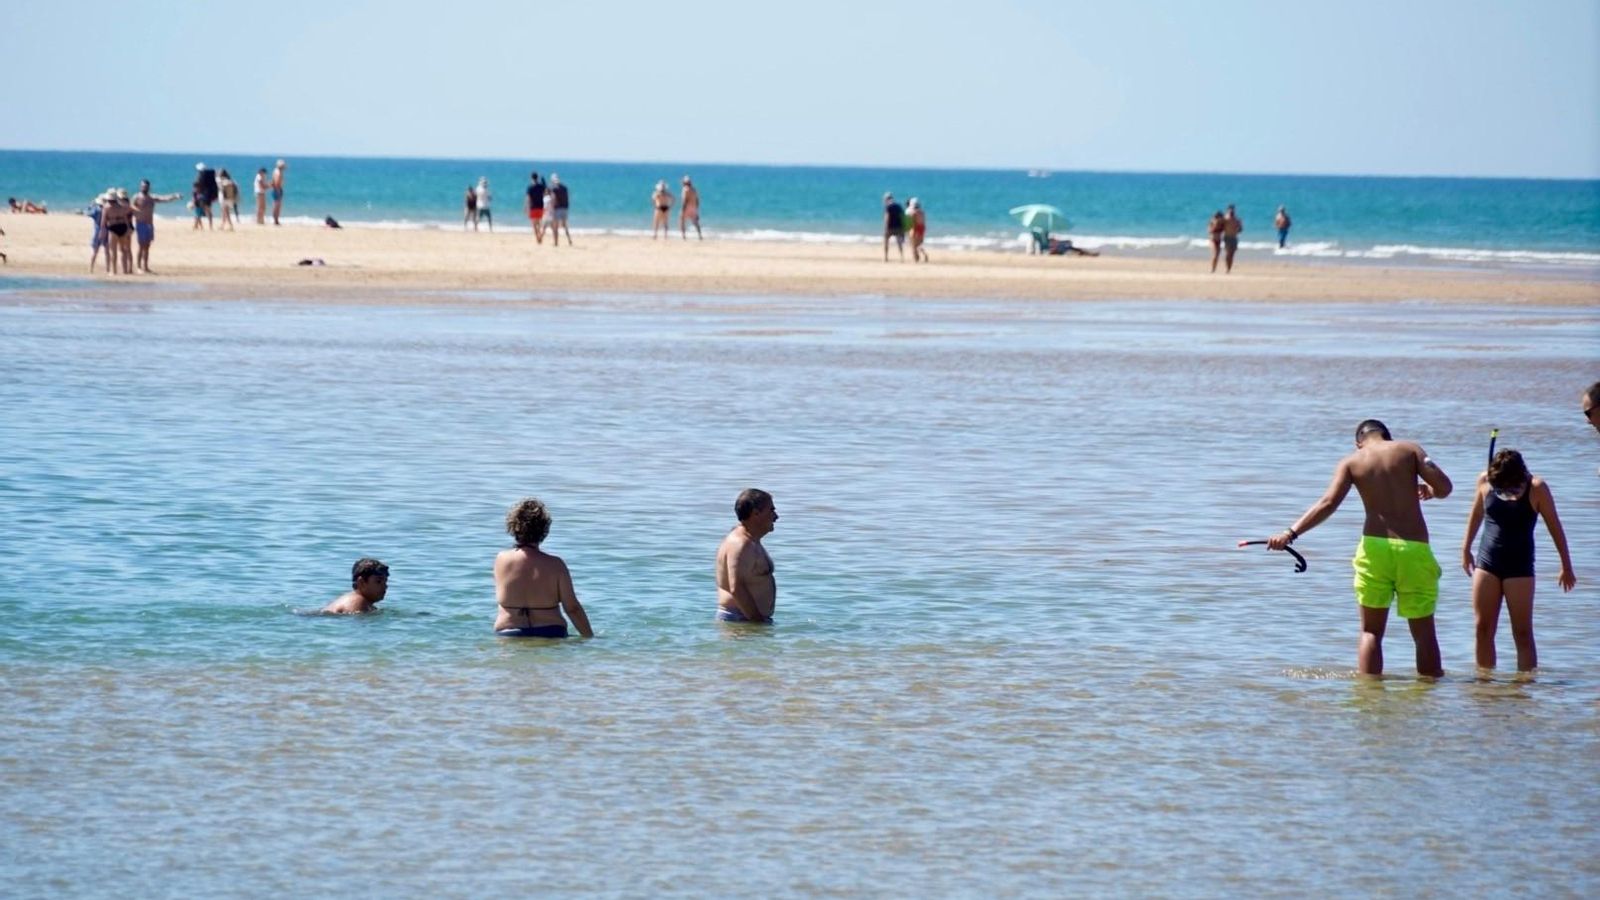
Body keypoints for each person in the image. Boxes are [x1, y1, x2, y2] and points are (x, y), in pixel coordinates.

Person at [1263, 419, 1453, 677]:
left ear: (1358, 442)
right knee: (1424, 634)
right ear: (1387, 436)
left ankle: (1369, 694)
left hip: (1374, 550)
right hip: (1413, 549)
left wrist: (1290, 533)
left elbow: (1327, 503)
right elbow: (1445, 488)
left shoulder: (1352, 461)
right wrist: (1430, 490)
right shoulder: (1410, 450)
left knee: (1370, 631)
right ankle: (1429, 694)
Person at [1461, 450, 1575, 672]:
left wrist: (1566, 566)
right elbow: (1476, 515)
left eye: (1510, 487)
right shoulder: (1485, 480)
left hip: (1519, 568)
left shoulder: (1537, 488)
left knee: (1522, 633)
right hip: (1487, 563)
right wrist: (1465, 548)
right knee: (1482, 629)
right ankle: (1484, 682)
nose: (1506, 492)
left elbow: (1555, 527)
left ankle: (1525, 685)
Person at [494, 498, 594, 638]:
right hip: (551, 632)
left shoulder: (501, 560)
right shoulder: (556, 564)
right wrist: (590, 637)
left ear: (513, 527)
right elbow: (572, 608)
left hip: (509, 632)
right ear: (544, 530)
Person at [716, 489, 779, 623]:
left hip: (748, 620)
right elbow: (736, 588)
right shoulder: (740, 543)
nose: (776, 516)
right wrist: (758, 622)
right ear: (756, 513)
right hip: (741, 620)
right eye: (771, 510)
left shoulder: (751, 541)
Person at [130, 179, 181, 273]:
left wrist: (174, 196)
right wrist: (137, 211)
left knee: (147, 246)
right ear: (140, 187)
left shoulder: (151, 197)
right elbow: (130, 206)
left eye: (145, 186)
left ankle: (146, 267)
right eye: (142, 186)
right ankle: (139, 267)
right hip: (140, 224)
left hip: (149, 224)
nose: (144, 188)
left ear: (149, 187)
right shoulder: (136, 197)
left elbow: (164, 199)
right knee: (141, 246)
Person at [323, 558, 390, 614]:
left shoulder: (364, 603)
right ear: (361, 582)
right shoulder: (357, 602)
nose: (385, 586)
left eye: (385, 581)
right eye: (378, 581)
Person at [101, 189, 136, 275]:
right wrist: (128, 228)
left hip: (114, 227)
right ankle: (123, 270)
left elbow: (103, 221)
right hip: (121, 227)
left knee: (114, 251)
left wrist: (102, 232)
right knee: (122, 250)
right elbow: (126, 217)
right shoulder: (121, 206)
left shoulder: (107, 207)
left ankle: (114, 271)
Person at [547, 174, 572, 246]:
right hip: (565, 208)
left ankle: (556, 242)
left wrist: (551, 208)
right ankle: (569, 239)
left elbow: (553, 198)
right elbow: (568, 198)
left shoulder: (553, 189)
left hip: (557, 209)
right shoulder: (565, 188)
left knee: (555, 226)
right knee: (565, 225)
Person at [193, 163, 217, 230]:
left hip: (201, 196)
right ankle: (210, 226)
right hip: (209, 195)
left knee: (198, 210)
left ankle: (196, 225)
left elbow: (197, 187)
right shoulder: (210, 175)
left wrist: (194, 196)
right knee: (208, 211)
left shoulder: (201, 176)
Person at [882, 192, 905, 262]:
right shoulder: (899, 206)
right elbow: (903, 217)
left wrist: (886, 227)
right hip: (899, 227)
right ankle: (901, 257)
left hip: (890, 227)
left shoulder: (888, 207)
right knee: (899, 243)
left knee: (886, 241)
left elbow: (887, 218)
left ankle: (886, 257)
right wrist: (903, 228)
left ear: (886, 199)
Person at [525, 171, 546, 242]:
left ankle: (537, 237)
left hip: (533, 207)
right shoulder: (541, 186)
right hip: (540, 206)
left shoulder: (530, 187)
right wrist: (543, 181)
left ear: (531, 178)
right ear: (537, 178)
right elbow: (545, 191)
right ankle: (540, 235)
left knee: (534, 224)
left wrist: (526, 207)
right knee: (539, 222)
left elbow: (528, 198)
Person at [1221, 204, 1243, 273]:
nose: (1231, 211)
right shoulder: (1225, 219)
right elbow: (1220, 227)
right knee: (1228, 253)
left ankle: (1229, 268)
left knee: (1232, 254)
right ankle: (1227, 268)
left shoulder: (1237, 219)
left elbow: (1240, 229)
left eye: (1233, 209)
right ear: (1227, 210)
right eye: (1230, 210)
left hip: (1234, 237)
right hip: (1227, 237)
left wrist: (1238, 227)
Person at [680, 175, 701, 240]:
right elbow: (697, 200)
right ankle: (700, 235)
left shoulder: (685, 189)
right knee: (695, 222)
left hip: (687, 207)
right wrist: (696, 209)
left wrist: (682, 209)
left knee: (682, 220)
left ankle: (684, 236)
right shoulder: (694, 189)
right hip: (694, 207)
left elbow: (685, 200)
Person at [908, 197, 929, 263]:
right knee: (919, 244)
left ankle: (916, 259)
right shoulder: (922, 212)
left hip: (915, 228)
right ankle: (924, 253)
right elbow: (923, 221)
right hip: (922, 228)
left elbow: (912, 222)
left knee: (914, 245)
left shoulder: (913, 213)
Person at [270, 159, 287, 226]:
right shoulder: (278, 172)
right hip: (277, 189)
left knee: (277, 205)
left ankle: (276, 220)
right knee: (277, 205)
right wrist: (278, 190)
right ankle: (276, 220)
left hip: (277, 189)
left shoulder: (276, 171)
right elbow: (276, 182)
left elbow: (274, 181)